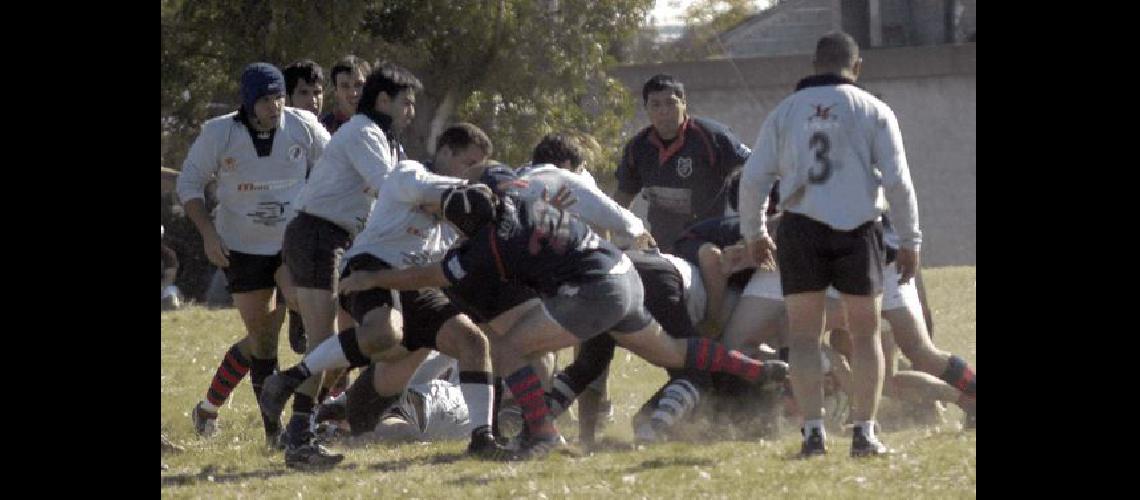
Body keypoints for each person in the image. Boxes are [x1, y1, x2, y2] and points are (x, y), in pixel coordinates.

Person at [338, 185, 788, 461]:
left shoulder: (485, 244)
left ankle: (543, 434)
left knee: (510, 349)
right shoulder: (516, 202)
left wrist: (374, 276)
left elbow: (431, 275)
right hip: (622, 273)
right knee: (671, 351)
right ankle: (757, 368)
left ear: (465, 229)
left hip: (594, 290)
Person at [739, 32, 922, 458]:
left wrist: (754, 233)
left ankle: (813, 433)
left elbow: (754, 178)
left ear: (814, 64)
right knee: (864, 335)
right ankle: (864, 432)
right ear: (856, 67)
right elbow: (898, 182)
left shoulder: (785, 111)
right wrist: (911, 240)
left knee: (804, 336)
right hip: (858, 230)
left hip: (801, 229)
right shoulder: (874, 109)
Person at [275, 62, 421, 468]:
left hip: (335, 238)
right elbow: (390, 190)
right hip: (319, 235)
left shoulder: (384, 138)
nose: (411, 111)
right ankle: (298, 437)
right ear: (383, 100)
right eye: (406, 103)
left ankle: (303, 425)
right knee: (322, 343)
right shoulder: (363, 132)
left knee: (339, 340)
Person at [177, 62, 330, 447]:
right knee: (261, 340)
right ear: (247, 103)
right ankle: (270, 430)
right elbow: (189, 183)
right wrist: (209, 235)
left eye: (279, 97)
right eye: (265, 100)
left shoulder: (303, 126)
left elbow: (334, 166)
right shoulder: (219, 133)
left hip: (290, 242)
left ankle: (302, 409)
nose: (274, 106)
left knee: (303, 304)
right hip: (240, 248)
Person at [613, 74, 752, 251]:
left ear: (683, 103)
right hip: (663, 245)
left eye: (670, 103)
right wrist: (616, 236)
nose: (663, 111)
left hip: (711, 242)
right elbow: (622, 199)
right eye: (655, 105)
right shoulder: (637, 148)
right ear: (646, 109)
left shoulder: (713, 136)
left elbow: (756, 169)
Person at [320, 55, 371, 134]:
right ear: (335, 91)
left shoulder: (382, 126)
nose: (353, 93)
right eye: (345, 86)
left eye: (359, 85)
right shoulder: (323, 129)